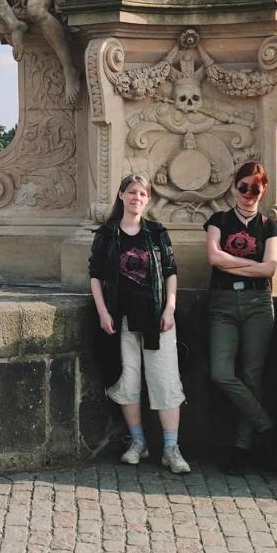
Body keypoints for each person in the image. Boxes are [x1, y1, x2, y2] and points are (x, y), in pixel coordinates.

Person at [88, 173, 190, 474]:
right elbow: (95, 275)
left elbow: (171, 271)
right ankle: (138, 441)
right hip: (120, 317)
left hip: (156, 317)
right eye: (132, 192)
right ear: (121, 195)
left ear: (148, 199)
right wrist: (103, 312)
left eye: (143, 194)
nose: (137, 198)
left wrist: (170, 308)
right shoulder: (106, 234)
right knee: (127, 381)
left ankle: (171, 448)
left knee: (165, 380)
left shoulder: (156, 232)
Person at [204, 161, 277, 474]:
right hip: (222, 304)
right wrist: (253, 267)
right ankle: (267, 426)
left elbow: (270, 268)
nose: (248, 194)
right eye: (243, 187)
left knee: (252, 376)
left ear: (263, 190)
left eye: (255, 189)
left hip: (258, 304)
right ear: (234, 187)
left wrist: (231, 262)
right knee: (220, 372)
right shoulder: (218, 220)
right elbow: (213, 257)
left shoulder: (269, 225)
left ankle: (242, 448)